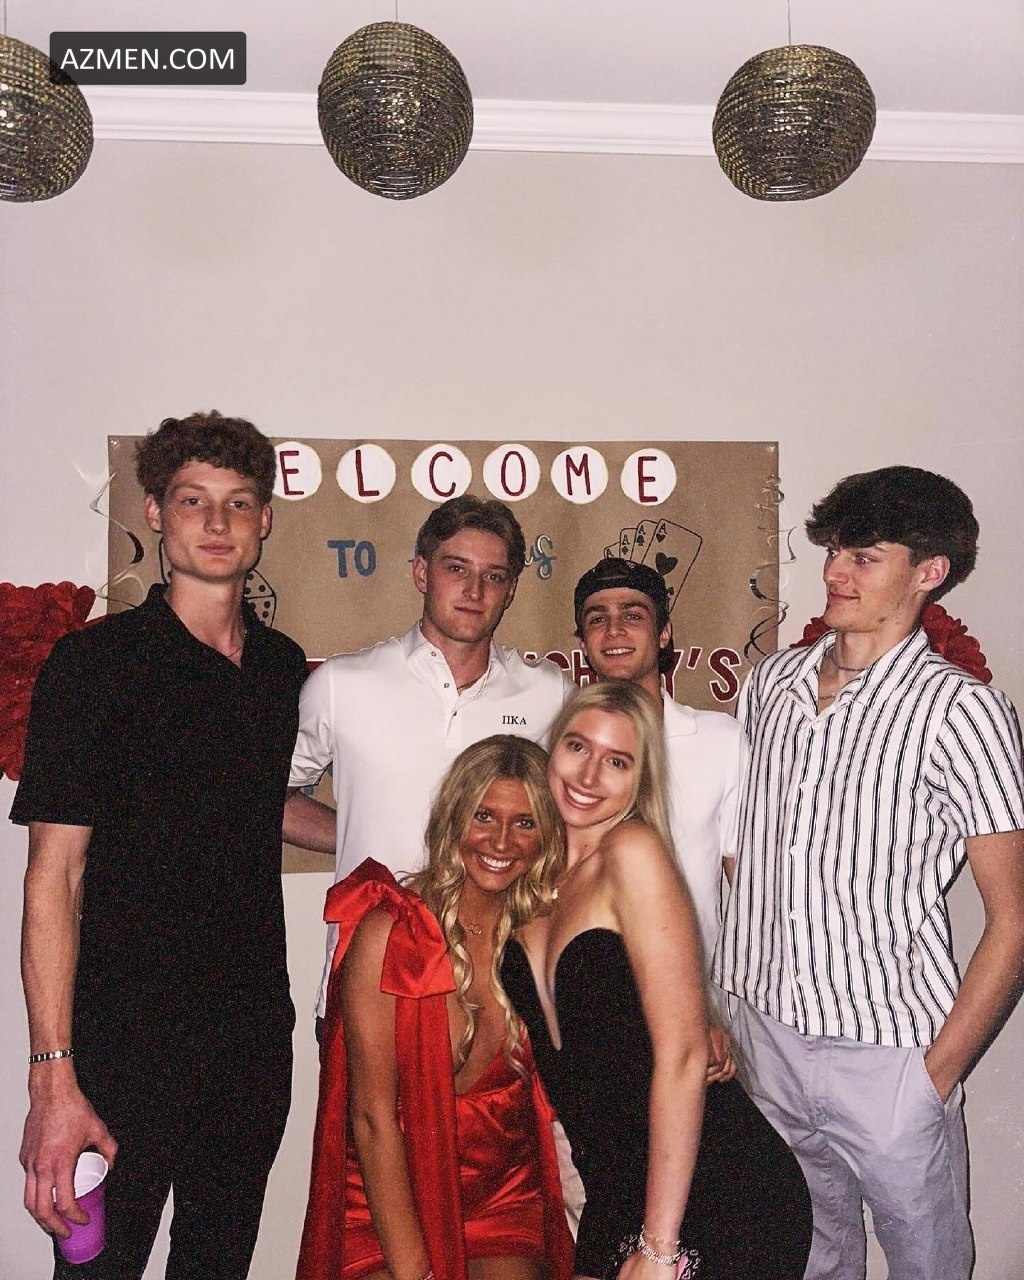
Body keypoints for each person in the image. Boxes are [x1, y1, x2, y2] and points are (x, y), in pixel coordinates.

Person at [12, 412, 308, 1279]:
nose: (217, 522)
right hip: (120, 1049)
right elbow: (54, 878)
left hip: (251, 1045)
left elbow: (259, 804)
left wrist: (406, 833)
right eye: (192, 501)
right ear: (154, 512)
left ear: (264, 521)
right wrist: (52, 1077)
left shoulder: (280, 668)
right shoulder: (93, 666)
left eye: (238, 503)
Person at [713, 465, 1024, 1280]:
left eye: (865, 557)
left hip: (889, 1055)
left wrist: (934, 1076)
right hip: (765, 1037)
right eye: (834, 552)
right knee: (803, 1258)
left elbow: (1014, 918)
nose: (835, 574)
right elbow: (744, 853)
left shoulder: (963, 711)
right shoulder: (770, 685)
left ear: (930, 572)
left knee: (928, 1266)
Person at [571, 557, 812, 1277]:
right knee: (598, 1214)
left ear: (666, 631)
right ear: (580, 640)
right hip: (593, 1041)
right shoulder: (565, 753)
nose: (615, 630)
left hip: (703, 1035)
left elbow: (748, 889)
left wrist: (715, 1012)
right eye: (597, 618)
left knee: (703, 1221)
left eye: (633, 614)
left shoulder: (719, 741)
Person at [283, 494, 571, 1028]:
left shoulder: (548, 693)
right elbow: (273, 801)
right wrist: (356, 832)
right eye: (456, 569)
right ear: (421, 572)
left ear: (511, 589)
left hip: (499, 988)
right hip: (372, 982)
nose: (474, 591)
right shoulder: (342, 685)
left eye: (493, 576)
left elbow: (578, 820)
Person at [296, 735, 574, 1280]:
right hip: (386, 1200)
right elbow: (372, 1118)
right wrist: (416, 1273)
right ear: (453, 818)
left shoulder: (547, 931)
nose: (501, 840)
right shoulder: (390, 932)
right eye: (483, 816)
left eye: (524, 822)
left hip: (502, 1197)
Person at [502, 682, 708, 1280]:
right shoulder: (531, 877)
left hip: (700, 1190)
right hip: (613, 1192)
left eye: (617, 762)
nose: (589, 775)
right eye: (577, 747)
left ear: (640, 779)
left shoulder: (631, 851)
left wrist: (660, 1246)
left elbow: (685, 1054)